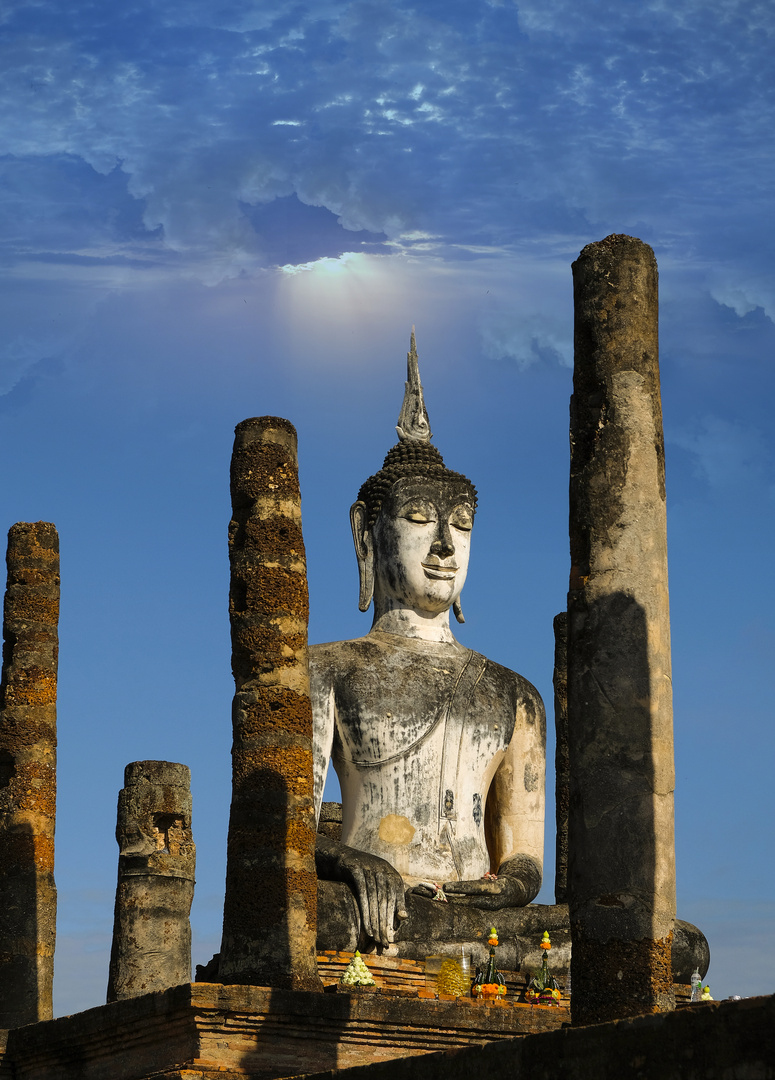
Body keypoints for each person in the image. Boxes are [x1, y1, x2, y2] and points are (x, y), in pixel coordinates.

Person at [311, 333, 545, 948]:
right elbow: (286, 830)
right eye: (418, 520)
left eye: (461, 526)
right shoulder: (327, 669)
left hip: (476, 918)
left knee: (673, 945)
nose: (444, 546)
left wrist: (511, 885)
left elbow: (524, 859)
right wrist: (352, 862)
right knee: (317, 921)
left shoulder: (513, 693)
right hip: (371, 904)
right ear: (367, 535)